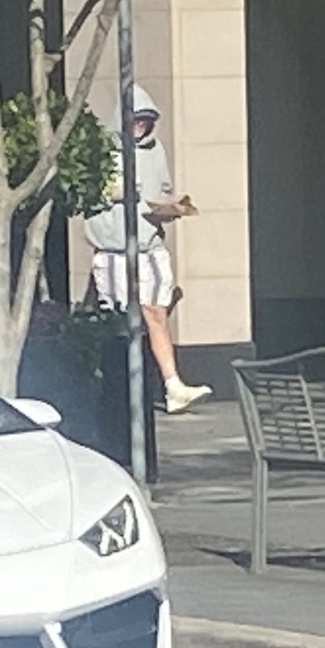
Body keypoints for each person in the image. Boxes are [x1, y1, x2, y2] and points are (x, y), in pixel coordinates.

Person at [85, 89, 210, 412]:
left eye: (146, 121)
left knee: (156, 312)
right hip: (114, 248)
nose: (140, 127)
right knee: (119, 318)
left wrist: (172, 207)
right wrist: (115, 192)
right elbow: (87, 193)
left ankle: (172, 385)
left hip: (149, 247)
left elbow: (161, 192)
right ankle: (116, 385)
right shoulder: (100, 152)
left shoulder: (156, 151)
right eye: (136, 120)